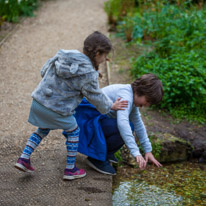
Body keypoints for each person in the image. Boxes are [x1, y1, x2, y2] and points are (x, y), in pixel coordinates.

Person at [14, 31, 128, 180]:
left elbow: (44, 71)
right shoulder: (88, 72)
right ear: (98, 52)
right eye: (104, 56)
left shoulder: (64, 55)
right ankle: (70, 170)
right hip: (57, 110)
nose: (104, 60)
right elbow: (95, 95)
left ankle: (24, 158)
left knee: (43, 128)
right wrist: (111, 106)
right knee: (74, 131)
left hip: (39, 102)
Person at [75, 73, 164, 175]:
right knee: (126, 127)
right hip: (86, 122)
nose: (147, 105)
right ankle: (96, 159)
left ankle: (105, 153)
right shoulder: (126, 97)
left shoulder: (131, 97)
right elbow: (122, 124)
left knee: (132, 125)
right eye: (148, 101)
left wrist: (148, 150)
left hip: (93, 121)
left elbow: (139, 124)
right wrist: (136, 153)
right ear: (143, 91)